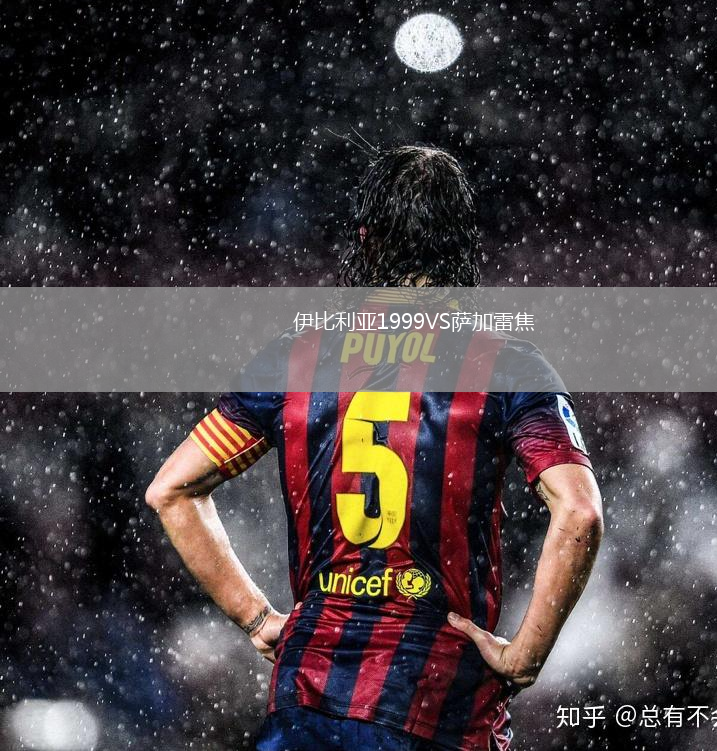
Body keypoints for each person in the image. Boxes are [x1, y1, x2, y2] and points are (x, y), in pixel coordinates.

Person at [145, 145, 603, 751]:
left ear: (367, 240)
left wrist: (255, 617)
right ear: (461, 245)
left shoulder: (296, 358)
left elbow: (171, 490)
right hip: (436, 700)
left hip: (308, 698)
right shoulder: (504, 365)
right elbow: (580, 512)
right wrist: (526, 656)